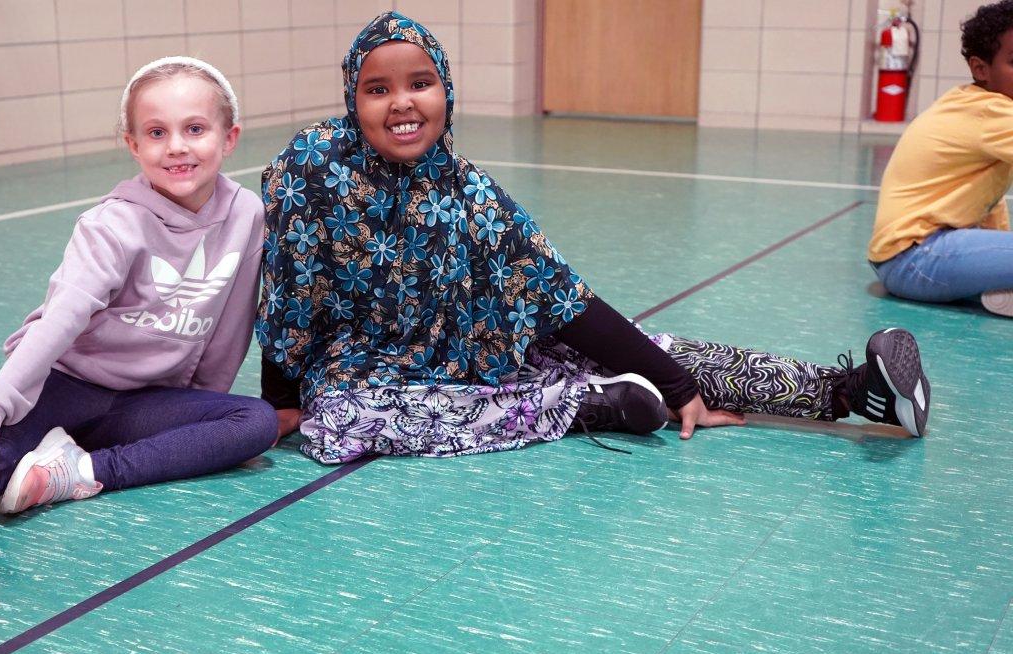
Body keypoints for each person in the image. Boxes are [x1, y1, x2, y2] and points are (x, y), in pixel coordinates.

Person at [253, 12, 932, 466]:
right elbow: (288, 290)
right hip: (366, 368)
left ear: (446, 92)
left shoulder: (473, 195)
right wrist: (280, 399)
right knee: (344, 417)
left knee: (657, 350)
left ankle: (848, 392)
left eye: (420, 83)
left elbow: (565, 301)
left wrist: (676, 382)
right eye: (378, 89)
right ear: (353, 99)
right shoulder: (312, 171)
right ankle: (590, 405)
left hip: (476, 349)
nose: (402, 102)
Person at [0, 57, 277, 611]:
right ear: (132, 144)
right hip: (66, 384)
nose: (176, 147)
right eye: (156, 133)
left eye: (195, 129)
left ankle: (79, 472)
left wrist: (197, 410)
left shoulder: (247, 216)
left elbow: (230, 323)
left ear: (229, 137)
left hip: (142, 403)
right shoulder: (112, 225)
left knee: (253, 422)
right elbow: (57, 324)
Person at [870, 0, 1013, 316]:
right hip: (914, 258)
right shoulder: (992, 111)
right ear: (981, 69)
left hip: (910, 257)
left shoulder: (975, 104)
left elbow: (989, 201)